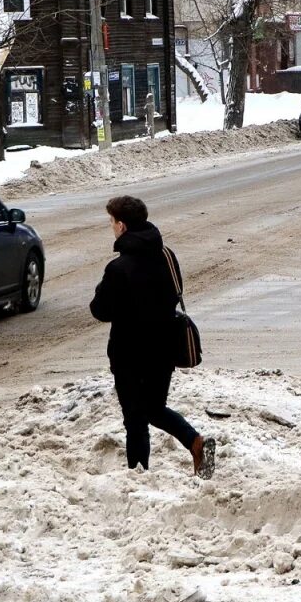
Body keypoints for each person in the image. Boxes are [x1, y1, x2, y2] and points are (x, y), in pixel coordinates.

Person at [89, 195, 215, 478]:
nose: (111, 227)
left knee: (135, 420)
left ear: (122, 226)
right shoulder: (167, 255)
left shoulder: (118, 268)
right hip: (163, 348)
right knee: (154, 409)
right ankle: (195, 442)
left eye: (111, 222)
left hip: (129, 353)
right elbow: (173, 293)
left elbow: (100, 310)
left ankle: (138, 476)